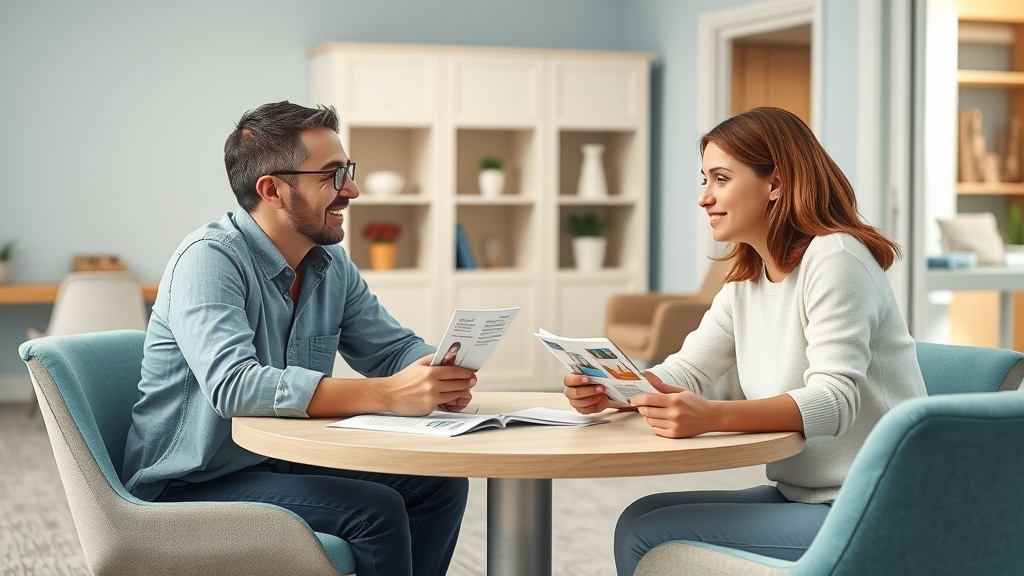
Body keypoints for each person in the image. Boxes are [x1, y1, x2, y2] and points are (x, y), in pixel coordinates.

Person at [561, 107, 927, 576]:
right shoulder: (747, 279)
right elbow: (686, 372)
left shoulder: (835, 260)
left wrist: (711, 415)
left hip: (875, 505)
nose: (704, 198)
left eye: (720, 178)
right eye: (704, 180)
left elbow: (835, 402)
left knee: (646, 536)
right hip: (808, 493)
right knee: (640, 515)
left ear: (775, 183)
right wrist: (615, 388)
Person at [122, 101, 476, 576]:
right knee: (374, 511)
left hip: (279, 461)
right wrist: (390, 395)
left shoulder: (329, 264)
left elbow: (391, 350)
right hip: (188, 482)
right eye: (332, 175)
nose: (351, 188)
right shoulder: (208, 260)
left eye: (347, 170)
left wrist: (441, 366)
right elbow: (236, 386)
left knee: (439, 484)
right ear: (273, 190)